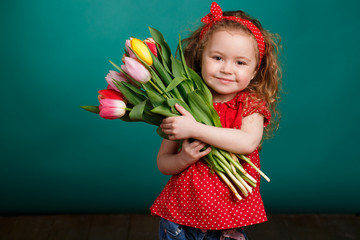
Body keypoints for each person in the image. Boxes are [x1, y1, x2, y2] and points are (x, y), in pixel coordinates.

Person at [150, 2, 282, 239]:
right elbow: (163, 163)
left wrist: (195, 128)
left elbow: (247, 142)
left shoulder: (250, 104)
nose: (227, 69)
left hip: (226, 220)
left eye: (240, 62)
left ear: (255, 71)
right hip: (180, 217)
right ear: (201, 57)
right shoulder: (184, 101)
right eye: (218, 58)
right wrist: (183, 158)